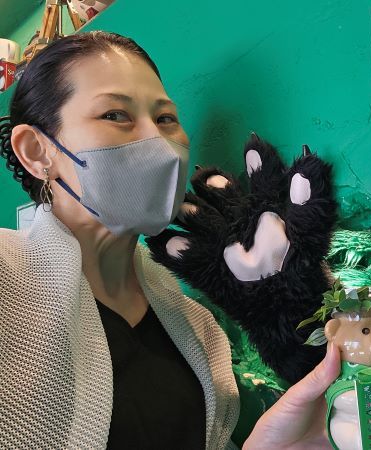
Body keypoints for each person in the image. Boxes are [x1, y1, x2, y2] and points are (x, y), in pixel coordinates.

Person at [0, 31, 340, 449]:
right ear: (37, 151)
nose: (159, 144)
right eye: (115, 115)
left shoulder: (197, 327)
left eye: (165, 119)